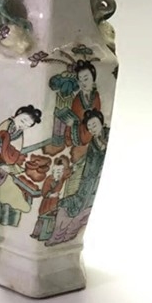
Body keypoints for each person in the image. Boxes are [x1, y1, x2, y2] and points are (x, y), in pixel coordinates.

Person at [46, 109, 109, 246]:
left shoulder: (109, 135)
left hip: (100, 183)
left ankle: (65, 239)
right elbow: (88, 160)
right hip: (87, 183)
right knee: (65, 205)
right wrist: (77, 166)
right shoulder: (93, 142)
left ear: (101, 122)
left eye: (94, 124)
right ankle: (58, 237)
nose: (92, 129)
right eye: (89, 127)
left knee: (80, 214)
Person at [0, 105, 42, 216]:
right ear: (17, 114)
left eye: (27, 125)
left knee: (2, 175)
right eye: (23, 120)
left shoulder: (19, 132)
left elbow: (17, 148)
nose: (23, 125)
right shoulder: (7, 124)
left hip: (6, 156)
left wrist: (10, 157)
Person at [64, 60, 101, 162]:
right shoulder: (77, 99)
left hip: (92, 127)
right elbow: (74, 116)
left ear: (93, 78)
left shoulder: (96, 96)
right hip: (80, 128)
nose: (83, 83)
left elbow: (98, 113)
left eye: (86, 78)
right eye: (80, 80)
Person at [31, 156, 71, 239]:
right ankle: (37, 233)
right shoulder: (50, 179)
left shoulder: (62, 179)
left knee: (53, 218)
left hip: (55, 203)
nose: (59, 173)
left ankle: (47, 234)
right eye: (57, 171)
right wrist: (51, 195)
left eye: (61, 171)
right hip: (47, 203)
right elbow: (44, 192)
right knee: (43, 218)